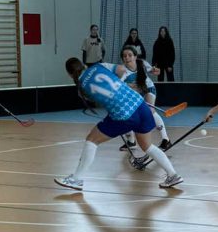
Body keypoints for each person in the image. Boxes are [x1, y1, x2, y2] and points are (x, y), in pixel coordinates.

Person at [55, 57, 182, 191]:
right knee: (147, 146)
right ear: (83, 65)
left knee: (91, 140)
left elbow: (99, 98)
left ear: (69, 74)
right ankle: (173, 175)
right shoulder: (99, 66)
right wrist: (120, 84)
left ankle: (76, 179)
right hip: (140, 104)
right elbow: (122, 70)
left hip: (124, 114)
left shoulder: (81, 88)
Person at [118, 45, 172, 151]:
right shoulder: (122, 71)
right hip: (134, 94)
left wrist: (155, 70)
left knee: (150, 111)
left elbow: (153, 71)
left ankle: (166, 140)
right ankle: (131, 141)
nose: (127, 57)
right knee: (127, 114)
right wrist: (129, 86)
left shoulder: (142, 63)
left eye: (129, 55)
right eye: (124, 56)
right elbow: (119, 86)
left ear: (135, 56)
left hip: (148, 89)